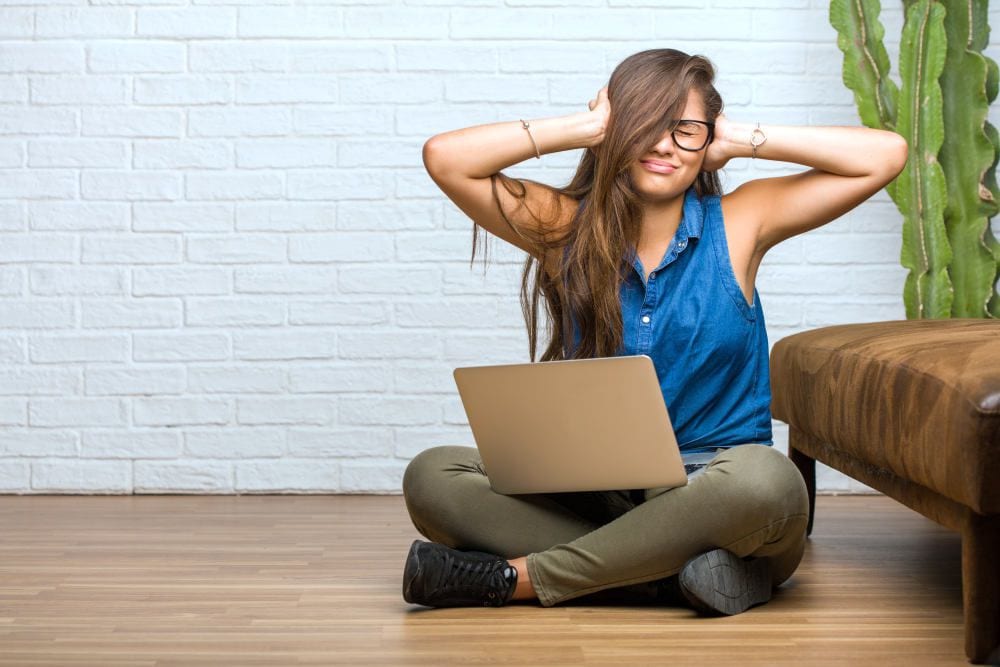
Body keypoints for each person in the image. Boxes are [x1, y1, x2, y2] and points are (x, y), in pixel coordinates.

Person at [401, 48, 908, 613]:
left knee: (766, 482)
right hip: (596, 494)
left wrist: (737, 137)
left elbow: (885, 155)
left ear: (707, 140)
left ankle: (519, 578)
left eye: (684, 130)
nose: (664, 145)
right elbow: (446, 158)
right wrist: (585, 126)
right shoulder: (560, 226)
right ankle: (673, 573)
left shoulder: (741, 222)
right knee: (433, 476)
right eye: (644, 126)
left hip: (716, 492)